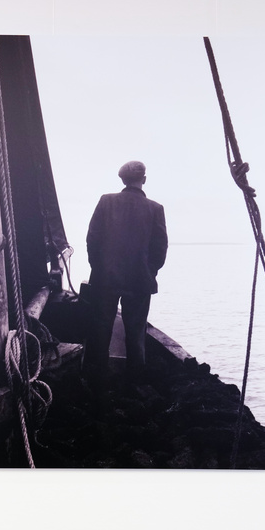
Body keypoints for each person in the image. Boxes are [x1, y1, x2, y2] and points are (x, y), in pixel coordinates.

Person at [84, 160, 168, 383]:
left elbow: (92, 240)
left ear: (122, 179)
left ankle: (96, 378)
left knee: (100, 329)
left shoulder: (106, 201)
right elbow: (160, 249)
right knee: (136, 331)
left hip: (105, 278)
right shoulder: (155, 209)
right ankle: (135, 381)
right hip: (140, 280)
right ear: (144, 180)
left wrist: (99, 268)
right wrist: (149, 271)